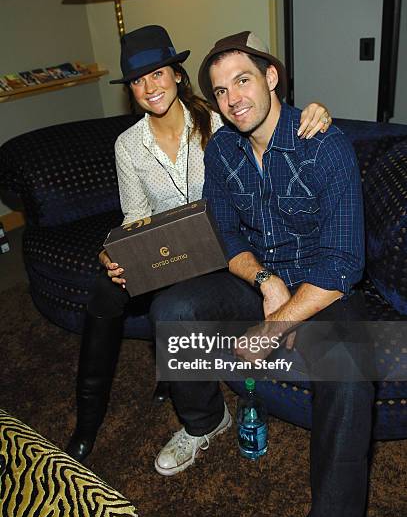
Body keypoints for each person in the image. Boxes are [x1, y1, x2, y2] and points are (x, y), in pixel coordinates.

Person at [150, 32, 374, 517]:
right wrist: (265, 283)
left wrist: (276, 326)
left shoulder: (325, 146)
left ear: (272, 78)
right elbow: (224, 232)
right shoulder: (224, 148)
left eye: (243, 81)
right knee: (171, 309)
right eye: (221, 91)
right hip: (261, 279)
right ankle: (206, 421)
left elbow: (344, 264)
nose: (234, 99)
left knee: (349, 372)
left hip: (323, 289)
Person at [66, 25, 332, 463]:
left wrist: (317, 111)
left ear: (176, 74)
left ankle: (196, 405)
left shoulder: (218, 118)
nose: (149, 87)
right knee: (105, 287)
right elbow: (135, 218)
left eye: (157, 74)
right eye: (137, 80)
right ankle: (87, 418)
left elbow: (269, 118)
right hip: (171, 254)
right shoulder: (128, 146)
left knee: (171, 308)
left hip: (227, 254)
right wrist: (115, 250)